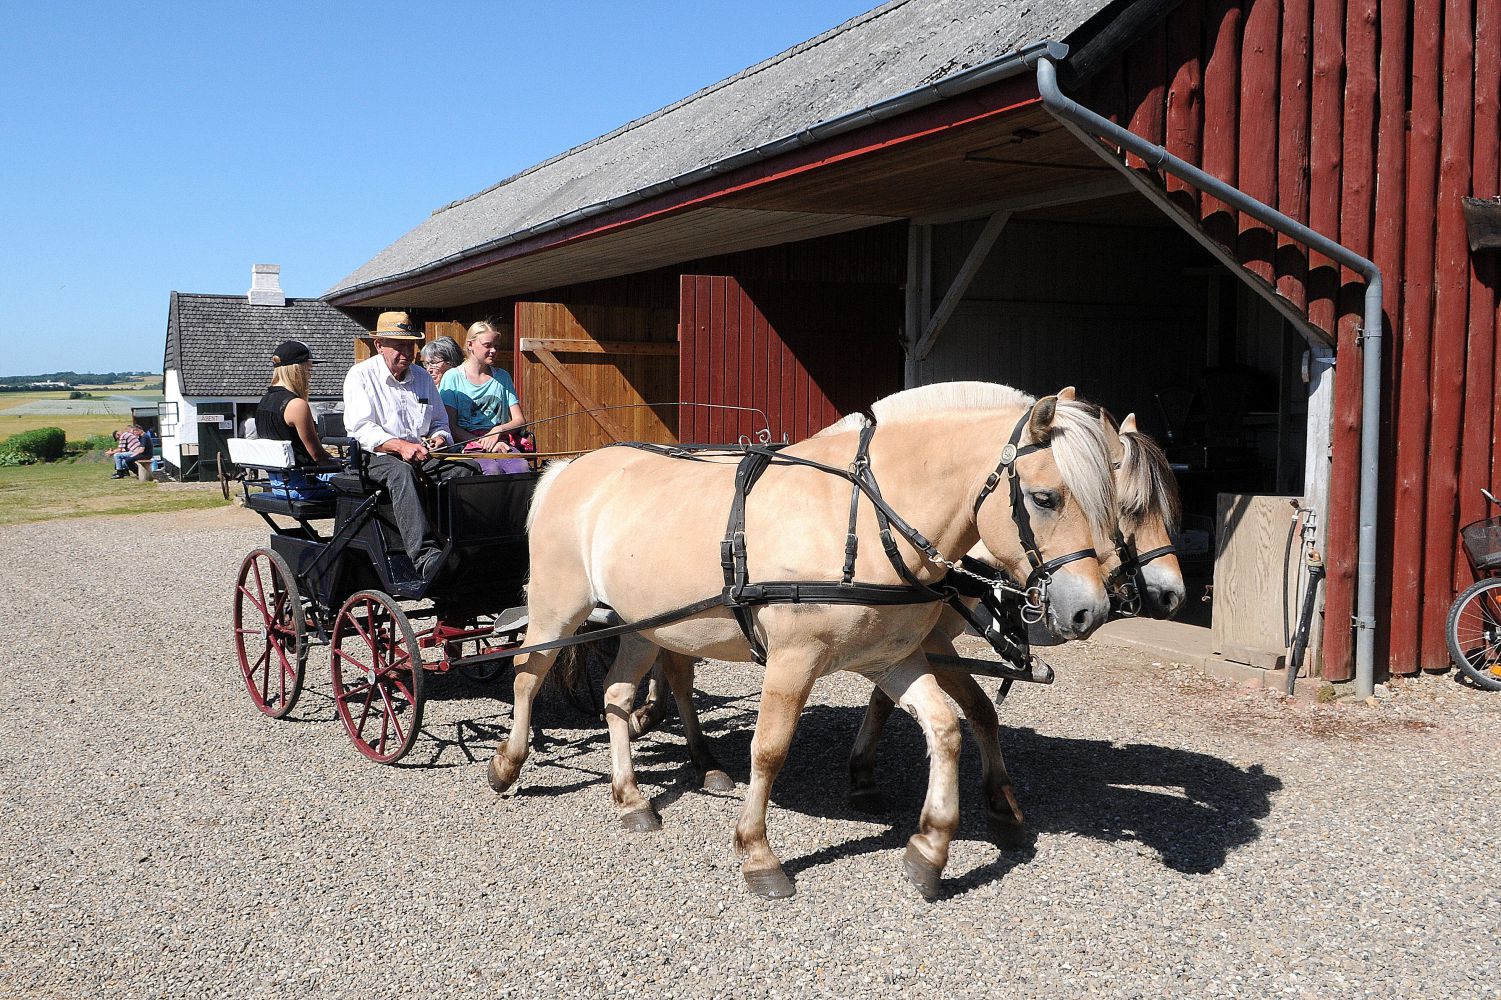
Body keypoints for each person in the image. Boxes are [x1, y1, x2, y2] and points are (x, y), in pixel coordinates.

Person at [343, 311, 476, 580]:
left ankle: (463, 544)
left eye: (410, 346)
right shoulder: (360, 376)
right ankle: (425, 556)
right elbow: (361, 428)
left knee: (467, 469)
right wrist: (400, 446)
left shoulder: (422, 377)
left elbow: (440, 422)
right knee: (401, 473)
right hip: (374, 456)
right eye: (399, 346)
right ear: (379, 345)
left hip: (420, 453)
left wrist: (439, 437)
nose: (406, 352)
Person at [439, 321, 531, 474]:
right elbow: (451, 427)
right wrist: (485, 443)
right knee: (491, 470)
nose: (493, 350)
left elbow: (519, 420)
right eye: (487, 345)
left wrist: (498, 430)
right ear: (470, 345)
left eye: (497, 346)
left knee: (521, 468)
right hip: (466, 444)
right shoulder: (453, 377)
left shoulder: (502, 377)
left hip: (499, 441)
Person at [254, 340, 337, 501]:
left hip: (278, 485)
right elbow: (318, 456)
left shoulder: (264, 402)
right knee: (364, 486)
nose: (310, 376)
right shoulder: (296, 405)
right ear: (297, 369)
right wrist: (345, 466)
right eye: (309, 369)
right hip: (303, 486)